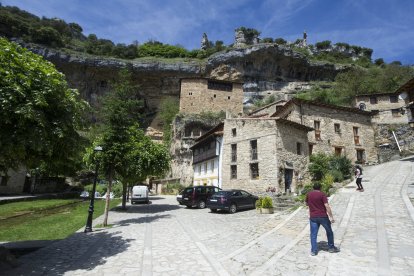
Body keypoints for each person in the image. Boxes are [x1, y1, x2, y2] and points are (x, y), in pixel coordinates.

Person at [305, 182, 340, 256]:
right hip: (323, 216)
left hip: (313, 217)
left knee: (313, 234)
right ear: (320, 188)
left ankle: (314, 251)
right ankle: (331, 248)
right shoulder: (322, 194)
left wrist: (310, 211)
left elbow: (307, 204)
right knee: (329, 232)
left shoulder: (309, 194)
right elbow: (326, 206)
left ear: (313, 188)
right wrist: (331, 217)